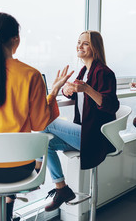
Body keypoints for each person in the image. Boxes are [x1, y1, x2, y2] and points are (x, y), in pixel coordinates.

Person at [0, 12, 73, 221]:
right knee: (11, 157)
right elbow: (39, 123)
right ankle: (5, 216)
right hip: (16, 170)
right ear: (15, 39)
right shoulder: (30, 74)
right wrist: (51, 94)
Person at [41, 30, 120, 212]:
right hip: (84, 134)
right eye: (78, 42)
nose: (80, 46)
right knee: (45, 142)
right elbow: (81, 94)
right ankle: (61, 188)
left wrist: (86, 89)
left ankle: (36, 165)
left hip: (96, 138)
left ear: (95, 47)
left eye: (85, 43)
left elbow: (110, 105)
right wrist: (66, 90)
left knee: (46, 122)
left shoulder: (104, 72)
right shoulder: (84, 71)